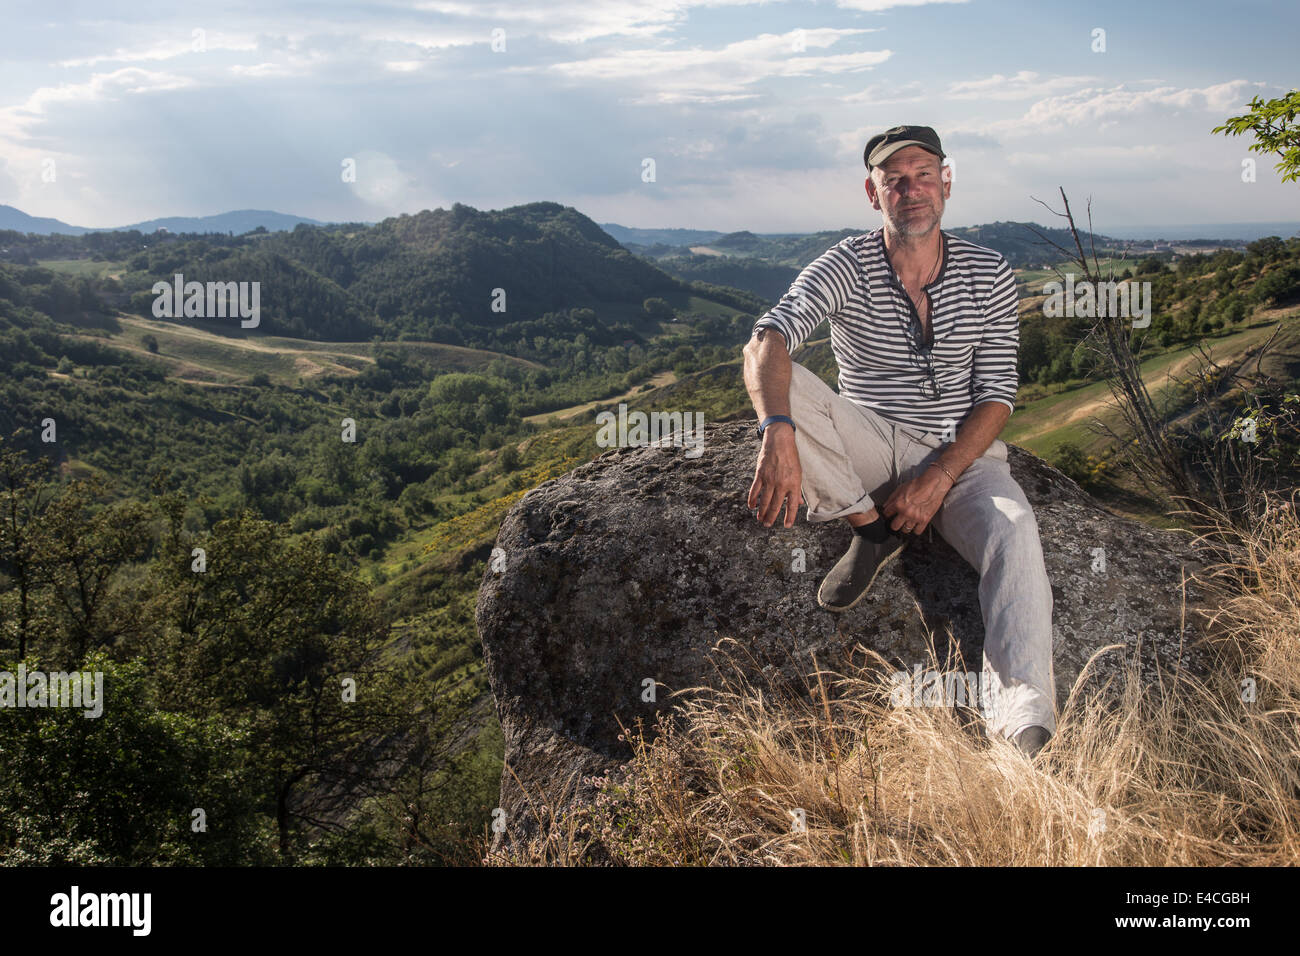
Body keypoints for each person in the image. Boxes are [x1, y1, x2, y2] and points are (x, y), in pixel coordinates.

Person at [742, 125, 1056, 758]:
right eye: (894, 179)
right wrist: (776, 431)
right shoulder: (846, 264)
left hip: (963, 458)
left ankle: (1022, 724)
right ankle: (871, 526)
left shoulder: (989, 271)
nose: (911, 190)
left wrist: (939, 476)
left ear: (947, 182)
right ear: (872, 192)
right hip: (872, 442)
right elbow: (767, 340)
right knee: (786, 386)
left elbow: (997, 395)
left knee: (1014, 529)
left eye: (923, 174)